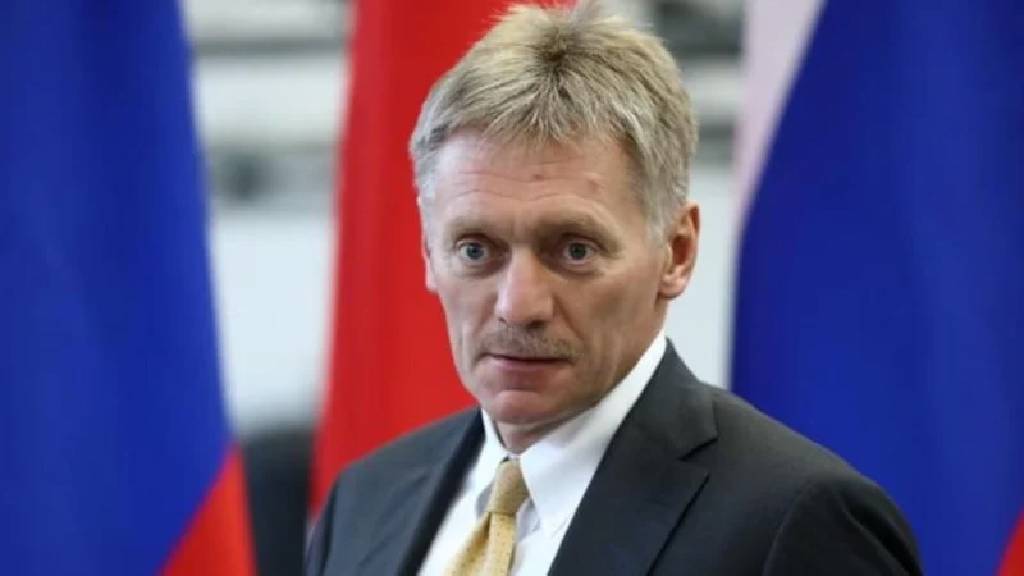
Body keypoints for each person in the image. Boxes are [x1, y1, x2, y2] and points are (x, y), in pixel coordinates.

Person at [306, 2, 922, 574]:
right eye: (476, 250)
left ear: (676, 253)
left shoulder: (797, 520)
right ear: (428, 254)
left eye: (574, 250)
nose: (519, 305)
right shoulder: (365, 501)